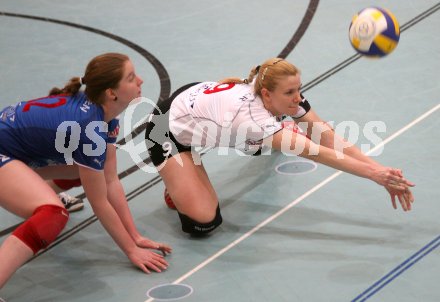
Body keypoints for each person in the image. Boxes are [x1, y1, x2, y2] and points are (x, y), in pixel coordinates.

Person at [144, 57, 415, 236]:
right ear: (266, 94)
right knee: (204, 221)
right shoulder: (252, 121)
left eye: (299, 89)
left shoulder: (278, 90)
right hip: (168, 130)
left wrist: (383, 172)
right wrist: (375, 176)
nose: (297, 98)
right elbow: (320, 153)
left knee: (278, 137)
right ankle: (179, 176)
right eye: (289, 93)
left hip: (205, 108)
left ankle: (194, 166)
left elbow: (327, 138)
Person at [0, 53, 171, 289]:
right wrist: (131, 251)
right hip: (6, 155)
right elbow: (99, 201)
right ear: (112, 93)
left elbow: (110, 180)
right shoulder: (89, 128)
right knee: (53, 214)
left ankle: (41, 194)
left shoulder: (105, 116)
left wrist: (136, 237)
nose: (140, 80)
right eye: (131, 78)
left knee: (89, 172)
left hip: (13, 154)